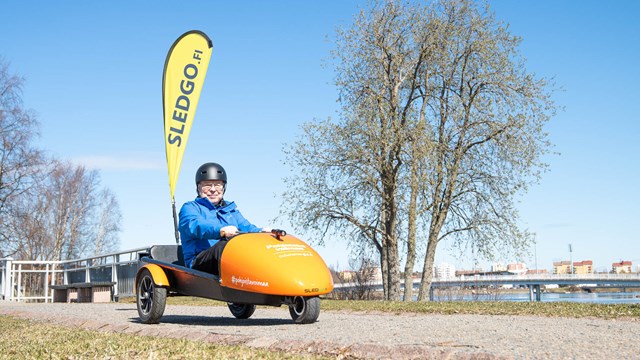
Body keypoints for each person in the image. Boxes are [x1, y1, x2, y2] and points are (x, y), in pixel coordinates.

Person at [178, 162, 270, 275]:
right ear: (198, 187)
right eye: (207, 185)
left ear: (223, 187)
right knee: (224, 245)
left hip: (229, 255)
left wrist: (262, 232)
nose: (213, 189)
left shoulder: (230, 210)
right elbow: (196, 226)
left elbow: (247, 227)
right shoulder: (190, 208)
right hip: (200, 261)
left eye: (217, 185)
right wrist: (221, 230)